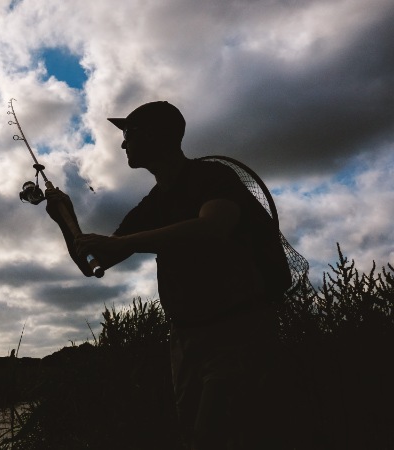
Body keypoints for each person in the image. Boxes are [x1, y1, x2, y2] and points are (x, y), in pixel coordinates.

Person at [45, 101, 286, 449]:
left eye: (129, 135)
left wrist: (125, 242)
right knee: (194, 437)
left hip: (237, 331)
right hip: (184, 341)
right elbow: (95, 264)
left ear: (154, 135)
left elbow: (214, 226)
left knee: (214, 438)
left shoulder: (212, 177)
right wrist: (64, 218)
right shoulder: (152, 204)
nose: (124, 144)